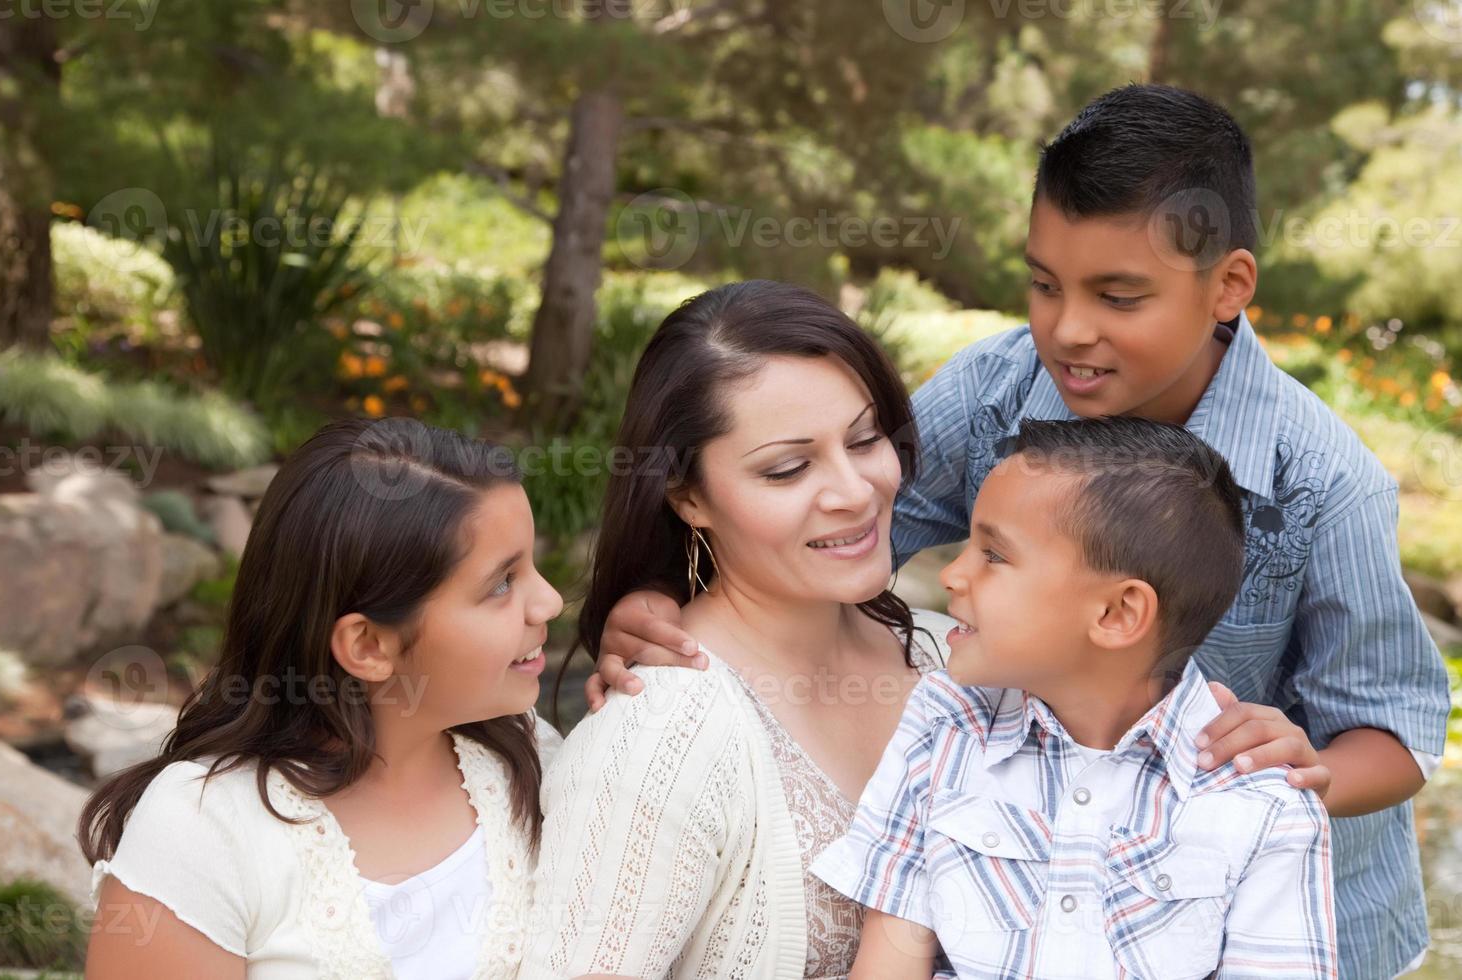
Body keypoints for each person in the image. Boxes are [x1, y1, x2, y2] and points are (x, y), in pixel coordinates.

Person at [590, 84, 1450, 979]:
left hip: (1279, 918)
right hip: (1042, 889)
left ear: (1229, 285)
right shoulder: (996, 390)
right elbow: (832, 527)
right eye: (1043, 283)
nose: (1067, 330)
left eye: (1119, 296)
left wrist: (1299, 768)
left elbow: (1396, 731)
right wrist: (667, 593)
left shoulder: (1322, 480)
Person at [520, 280, 959, 978]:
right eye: (787, 469)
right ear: (689, 495)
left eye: (867, 438)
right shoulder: (657, 738)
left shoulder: (954, 658)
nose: (854, 491)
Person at [816, 416, 1336, 979]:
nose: (954, 575)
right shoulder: (944, 725)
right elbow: (887, 965)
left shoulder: (1265, 806)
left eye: (994, 555)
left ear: (1116, 614)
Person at [82, 417, 564, 980]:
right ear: (368, 645)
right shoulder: (201, 831)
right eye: (503, 583)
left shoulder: (533, 758)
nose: (550, 601)